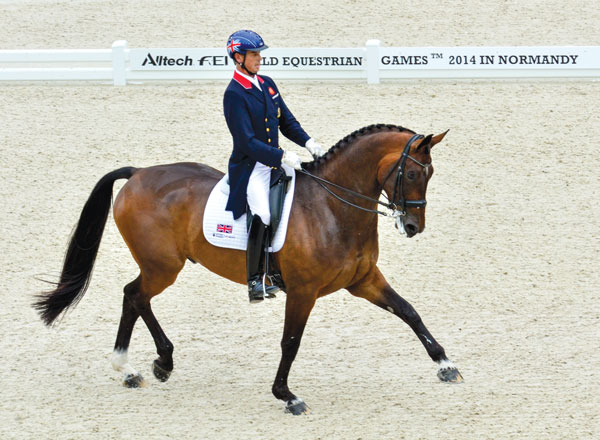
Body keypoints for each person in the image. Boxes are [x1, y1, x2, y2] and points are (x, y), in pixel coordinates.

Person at [223, 29, 324, 304]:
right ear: (238, 57)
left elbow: (286, 122)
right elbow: (246, 141)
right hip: (252, 166)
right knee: (264, 213)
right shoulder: (234, 94)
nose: (259, 59)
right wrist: (280, 156)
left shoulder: (267, 84)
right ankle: (255, 279)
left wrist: (309, 142)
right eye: (254, 54)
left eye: (259, 53)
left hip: (275, 162)